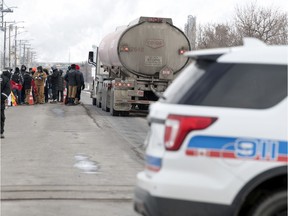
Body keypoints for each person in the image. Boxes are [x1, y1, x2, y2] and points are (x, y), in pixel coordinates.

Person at [1, 70, 11, 139]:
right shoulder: (6, 79)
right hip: (0, 102)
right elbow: (7, 90)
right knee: (1, 118)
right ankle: (1, 132)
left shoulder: (4, 79)